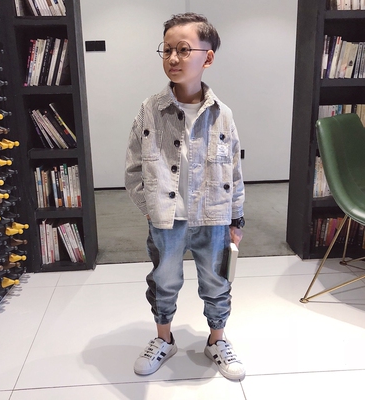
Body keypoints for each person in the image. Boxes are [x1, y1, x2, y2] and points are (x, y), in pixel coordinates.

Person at [124, 12, 245, 381]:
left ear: (208, 57)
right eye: (167, 50)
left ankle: (216, 340)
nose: (173, 58)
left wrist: (237, 218)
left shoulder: (223, 115)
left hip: (214, 217)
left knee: (217, 281)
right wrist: (150, 209)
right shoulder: (150, 109)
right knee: (164, 280)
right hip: (167, 220)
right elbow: (133, 168)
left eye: (183, 49)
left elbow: (234, 171)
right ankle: (164, 338)